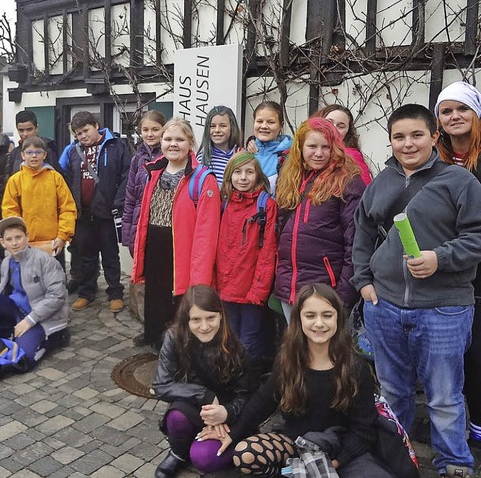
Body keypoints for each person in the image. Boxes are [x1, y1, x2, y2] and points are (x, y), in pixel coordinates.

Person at [351, 103, 481, 478]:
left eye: (417, 135)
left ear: (434, 137)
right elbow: (361, 233)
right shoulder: (381, 182)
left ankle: (454, 463)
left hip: (443, 308)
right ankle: (398, 457)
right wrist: (363, 282)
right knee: (393, 393)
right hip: (385, 306)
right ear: (390, 141)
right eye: (399, 137)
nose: (408, 144)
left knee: (443, 398)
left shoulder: (459, 182)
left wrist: (440, 258)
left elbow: (477, 236)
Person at [207, 283, 390, 477]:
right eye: (310, 316)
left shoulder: (355, 367)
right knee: (245, 454)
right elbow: (262, 402)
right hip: (296, 444)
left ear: (338, 318)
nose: (319, 323)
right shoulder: (288, 361)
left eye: (327, 315)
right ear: (298, 319)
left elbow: (364, 430)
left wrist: (333, 464)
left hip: (340, 449)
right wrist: (233, 433)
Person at [131, 118, 220, 348]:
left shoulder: (202, 179)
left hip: (181, 247)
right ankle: (153, 333)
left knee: (179, 297)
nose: (173, 144)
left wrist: (200, 271)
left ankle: (176, 343)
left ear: (190, 143)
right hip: (155, 244)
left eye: (179, 139)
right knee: (154, 292)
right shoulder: (155, 171)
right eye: (168, 139)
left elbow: (206, 231)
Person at [152, 285, 249, 477]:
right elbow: (161, 385)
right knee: (176, 417)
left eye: (210, 318)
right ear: (186, 319)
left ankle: (211, 446)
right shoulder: (174, 337)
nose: (204, 327)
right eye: (196, 319)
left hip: (227, 410)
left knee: (204, 459)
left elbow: (246, 394)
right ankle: (178, 453)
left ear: (221, 315)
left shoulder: (235, 344)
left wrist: (226, 413)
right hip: (194, 403)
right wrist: (204, 395)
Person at [274, 117, 364, 322]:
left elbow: (355, 242)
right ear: (300, 147)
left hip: (327, 289)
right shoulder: (289, 178)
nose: (319, 153)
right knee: (296, 349)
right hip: (290, 286)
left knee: (324, 351)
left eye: (326, 147)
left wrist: (343, 294)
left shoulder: (348, 182)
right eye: (312, 146)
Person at [434, 81, 481, 451]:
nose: (454, 117)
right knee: (458, 353)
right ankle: (460, 424)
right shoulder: (437, 161)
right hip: (448, 270)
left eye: (461, 109)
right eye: (446, 111)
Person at [0, 216, 70, 366]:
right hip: (17, 310)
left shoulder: (45, 260)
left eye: (18, 237)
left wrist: (29, 321)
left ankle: (54, 339)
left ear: (27, 237)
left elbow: (57, 296)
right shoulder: (7, 262)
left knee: (23, 359)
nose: (14, 243)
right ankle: (11, 334)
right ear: (2, 242)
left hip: (40, 317)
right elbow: (3, 292)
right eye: (9, 239)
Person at [59, 111, 130, 313]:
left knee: (110, 255)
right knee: (85, 256)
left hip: (106, 212)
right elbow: (61, 175)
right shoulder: (73, 151)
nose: (83, 136)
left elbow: (126, 176)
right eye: (78, 133)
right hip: (82, 214)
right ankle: (86, 293)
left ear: (96, 125)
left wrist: (117, 202)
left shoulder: (116, 146)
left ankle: (115, 293)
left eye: (85, 130)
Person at [216, 151, 277, 366]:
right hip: (226, 287)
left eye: (249, 172)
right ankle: (231, 376)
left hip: (251, 288)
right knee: (229, 336)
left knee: (249, 339)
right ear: (229, 176)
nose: (243, 178)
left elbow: (268, 252)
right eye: (238, 172)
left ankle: (247, 382)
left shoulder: (265, 206)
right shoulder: (225, 203)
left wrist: (258, 290)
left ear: (258, 176)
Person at [2, 135, 76, 273]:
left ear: (45, 155)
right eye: (29, 153)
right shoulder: (15, 180)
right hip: (26, 244)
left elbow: (68, 208)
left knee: (55, 282)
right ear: (23, 155)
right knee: (29, 283)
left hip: (53, 243)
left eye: (38, 152)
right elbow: (10, 212)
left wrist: (62, 236)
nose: (34, 156)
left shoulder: (55, 178)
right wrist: (18, 238)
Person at [122, 110, 166, 256]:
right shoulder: (137, 159)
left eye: (155, 129)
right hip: (139, 219)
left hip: (161, 220)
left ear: (163, 130)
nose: (150, 134)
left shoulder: (169, 156)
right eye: (145, 130)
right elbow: (130, 198)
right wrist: (127, 233)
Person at [314, 104, 372, 185]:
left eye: (341, 126)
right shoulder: (305, 151)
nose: (333, 129)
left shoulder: (351, 157)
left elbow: (364, 193)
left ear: (347, 133)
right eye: (328, 122)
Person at [248, 101, 292, 196]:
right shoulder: (246, 153)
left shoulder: (290, 155)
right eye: (259, 121)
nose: (264, 126)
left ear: (281, 125)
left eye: (271, 122)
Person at [196, 106, 243, 185]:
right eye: (212, 126)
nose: (217, 130)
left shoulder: (240, 156)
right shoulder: (201, 159)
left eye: (223, 126)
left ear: (232, 128)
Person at [7, 110, 62, 175]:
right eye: (21, 130)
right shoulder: (14, 153)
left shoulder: (49, 149)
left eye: (29, 129)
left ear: (36, 128)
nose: (25, 134)